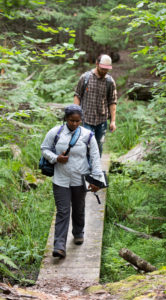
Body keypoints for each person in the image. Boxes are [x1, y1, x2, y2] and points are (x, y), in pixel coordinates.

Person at [41, 104, 104, 258]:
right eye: (71, 120)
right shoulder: (55, 132)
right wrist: (56, 158)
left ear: (81, 120)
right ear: (65, 119)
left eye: (77, 121)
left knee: (78, 208)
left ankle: (78, 232)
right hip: (60, 179)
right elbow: (44, 148)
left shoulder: (88, 135)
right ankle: (59, 245)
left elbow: (95, 159)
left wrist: (97, 180)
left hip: (79, 178)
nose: (74, 124)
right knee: (62, 211)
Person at [74, 54, 117, 156]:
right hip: (86, 118)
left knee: (98, 145)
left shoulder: (110, 81)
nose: (104, 71)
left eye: (107, 69)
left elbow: (112, 101)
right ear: (97, 64)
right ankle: (86, 169)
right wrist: (76, 115)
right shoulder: (85, 78)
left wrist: (113, 121)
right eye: (102, 69)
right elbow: (77, 96)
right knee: (86, 145)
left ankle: (96, 170)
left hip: (101, 120)